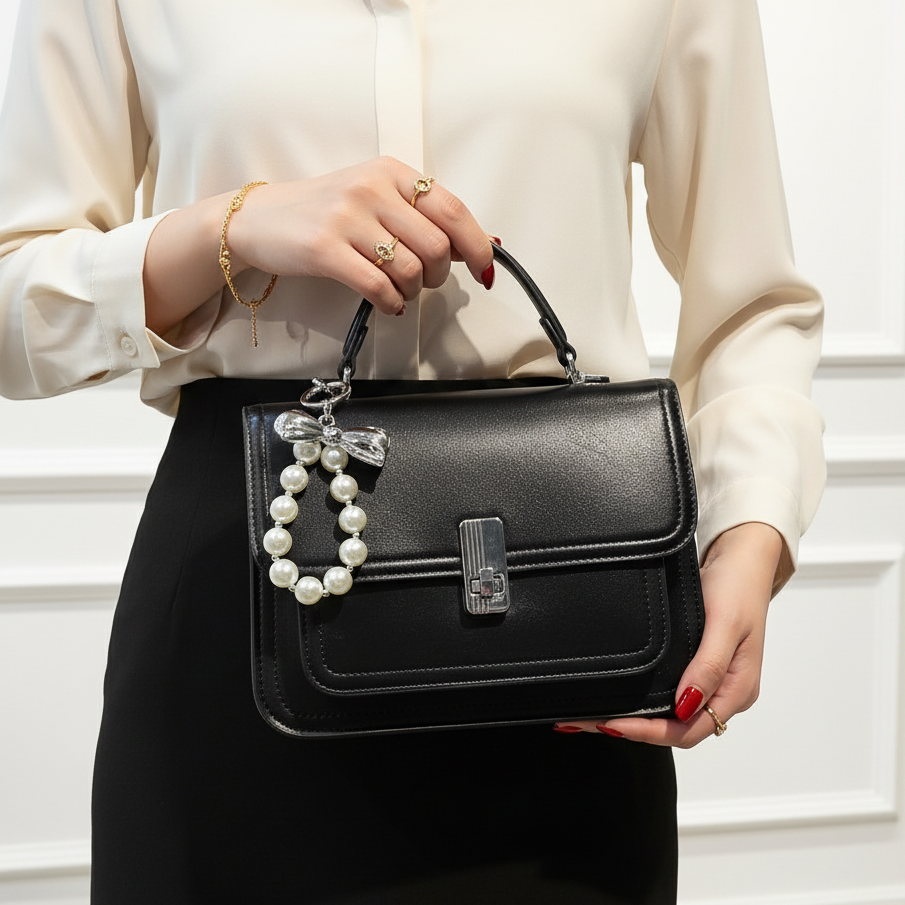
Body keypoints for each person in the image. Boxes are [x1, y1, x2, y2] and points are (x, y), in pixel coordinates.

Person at [0, 1, 825, 902]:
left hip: (567, 624)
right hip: (243, 609)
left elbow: (753, 305)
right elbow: (13, 303)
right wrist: (232, 226)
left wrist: (749, 537)